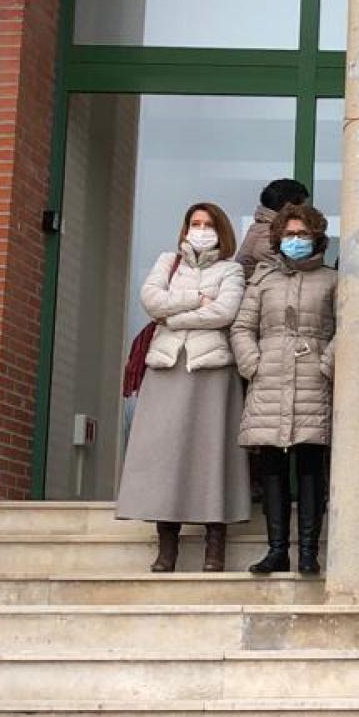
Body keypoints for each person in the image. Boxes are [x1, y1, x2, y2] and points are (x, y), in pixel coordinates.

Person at [116, 203, 251, 572]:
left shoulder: (232, 269)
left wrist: (171, 315)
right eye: (195, 223)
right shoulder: (166, 261)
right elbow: (151, 300)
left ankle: (214, 546)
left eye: (208, 224)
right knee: (165, 458)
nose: (201, 229)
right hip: (165, 366)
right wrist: (194, 300)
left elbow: (224, 312)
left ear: (220, 230)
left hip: (211, 371)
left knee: (211, 455)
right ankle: (167, 548)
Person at [230, 203, 337, 576]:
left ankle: (309, 551)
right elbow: (242, 328)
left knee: (310, 466)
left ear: (317, 237)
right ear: (278, 238)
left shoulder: (332, 279)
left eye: (303, 234)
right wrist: (252, 364)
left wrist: (326, 364)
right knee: (272, 466)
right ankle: (277, 550)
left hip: (312, 380)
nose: (296, 240)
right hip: (270, 378)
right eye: (289, 234)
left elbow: (344, 328)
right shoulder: (263, 280)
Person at [236, 177, 310, 276]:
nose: (305, 213)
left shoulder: (264, 227)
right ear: (289, 205)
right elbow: (286, 274)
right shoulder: (267, 234)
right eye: (303, 206)